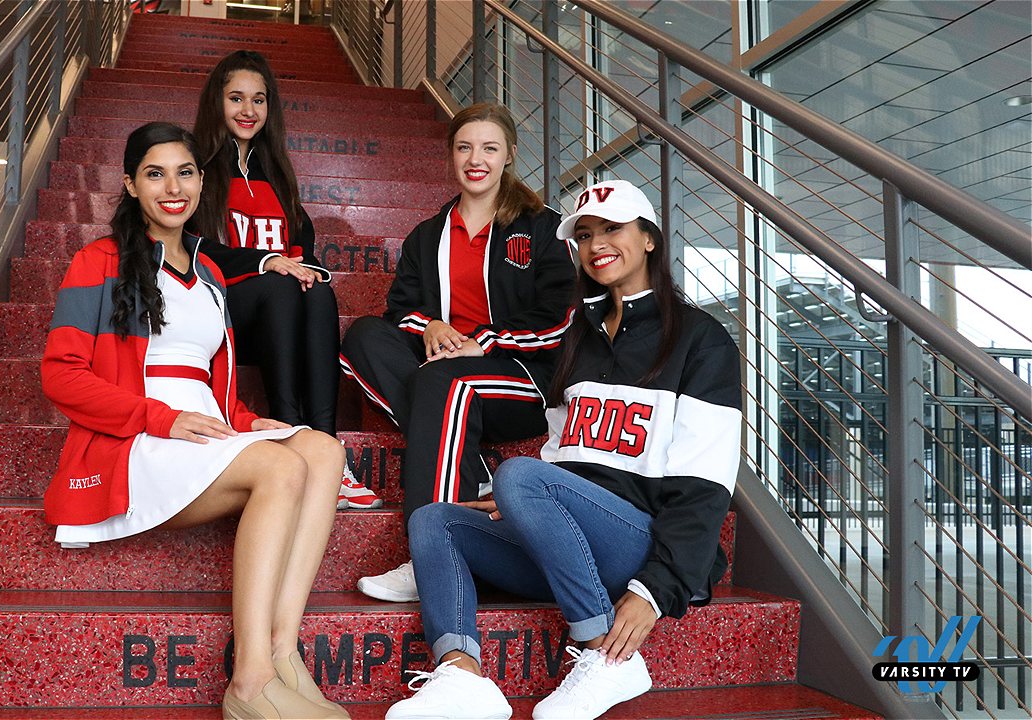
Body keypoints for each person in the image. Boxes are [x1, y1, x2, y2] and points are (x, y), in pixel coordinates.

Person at [384, 180, 743, 719]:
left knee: (518, 474)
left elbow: (706, 487)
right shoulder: (580, 337)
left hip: (639, 546)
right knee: (436, 519)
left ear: (649, 238)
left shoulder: (701, 340)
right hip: (572, 546)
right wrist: (526, 506)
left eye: (613, 228)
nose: (597, 244)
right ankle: (461, 675)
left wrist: (655, 590)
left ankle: (606, 655)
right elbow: (560, 451)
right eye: (586, 234)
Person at [41, 122, 349, 720]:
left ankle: (283, 651)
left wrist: (248, 421)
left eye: (185, 173)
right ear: (131, 184)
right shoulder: (97, 262)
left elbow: (212, 383)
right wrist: (160, 418)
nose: (173, 188)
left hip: (204, 430)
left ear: (202, 181)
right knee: (282, 469)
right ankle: (249, 682)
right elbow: (60, 375)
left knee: (323, 451)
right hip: (136, 439)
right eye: (155, 174)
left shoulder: (209, 271)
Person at [340, 103, 576, 603]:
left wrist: (483, 342)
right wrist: (430, 327)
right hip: (447, 373)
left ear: (509, 155)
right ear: (450, 154)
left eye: (489, 148)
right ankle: (469, 463)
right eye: (465, 147)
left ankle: (431, 554)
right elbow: (400, 310)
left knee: (442, 382)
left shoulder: (541, 227)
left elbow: (560, 318)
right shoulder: (428, 235)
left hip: (522, 377)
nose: (476, 159)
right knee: (362, 336)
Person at [192, 50, 382, 511]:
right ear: (216, 101)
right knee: (280, 283)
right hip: (221, 311)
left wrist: (303, 267)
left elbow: (303, 242)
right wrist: (267, 261)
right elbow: (194, 248)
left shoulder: (276, 171)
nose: (248, 110)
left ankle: (327, 451)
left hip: (279, 316)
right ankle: (290, 436)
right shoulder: (195, 166)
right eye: (236, 98)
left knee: (316, 292)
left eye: (258, 100)